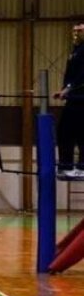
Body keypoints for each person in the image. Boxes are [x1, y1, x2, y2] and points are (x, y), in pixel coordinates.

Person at [55, 22, 84, 180]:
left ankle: (80, 167)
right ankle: (66, 166)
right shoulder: (75, 50)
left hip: (81, 99)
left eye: (80, 30)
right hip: (73, 98)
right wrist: (63, 91)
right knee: (65, 132)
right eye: (75, 30)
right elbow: (71, 74)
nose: (76, 33)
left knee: (77, 133)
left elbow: (81, 76)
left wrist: (68, 89)